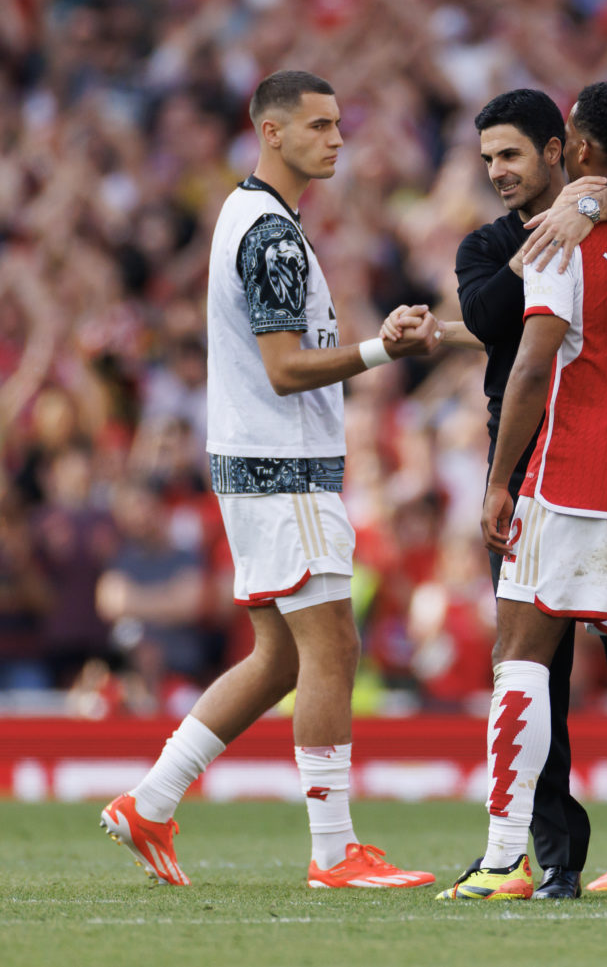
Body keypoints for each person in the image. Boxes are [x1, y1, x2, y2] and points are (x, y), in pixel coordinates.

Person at [101, 70, 441, 889]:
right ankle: (333, 851)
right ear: (272, 132)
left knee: (282, 659)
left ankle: (151, 800)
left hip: (256, 464)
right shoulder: (273, 235)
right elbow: (286, 368)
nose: (337, 138)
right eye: (319, 125)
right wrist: (378, 351)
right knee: (334, 646)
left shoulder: (247, 216)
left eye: (338, 124)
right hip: (283, 468)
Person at [384, 88, 607, 899]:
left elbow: (531, 367)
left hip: (571, 468)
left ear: (578, 149)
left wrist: (500, 481)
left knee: (520, 656)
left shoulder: (570, 237)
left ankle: (503, 858)